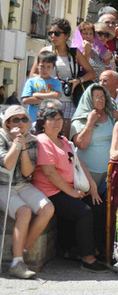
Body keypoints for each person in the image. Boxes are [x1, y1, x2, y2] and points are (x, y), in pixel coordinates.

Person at [32, 107, 105, 272]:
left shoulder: (63, 139)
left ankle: (93, 249)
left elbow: (77, 162)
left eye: (60, 119)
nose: (58, 123)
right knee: (83, 212)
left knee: (98, 204)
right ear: (43, 123)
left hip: (69, 188)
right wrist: (71, 193)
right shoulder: (43, 140)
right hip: (51, 191)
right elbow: (49, 172)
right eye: (53, 119)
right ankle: (87, 258)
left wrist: (92, 185)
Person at [0, 106, 55, 278]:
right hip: (3, 185)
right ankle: (17, 263)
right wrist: (16, 143)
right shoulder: (1, 137)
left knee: (47, 209)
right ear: (8, 123)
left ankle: (21, 248)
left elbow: (27, 172)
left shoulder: (31, 139)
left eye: (24, 119)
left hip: (22, 184)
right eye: (15, 120)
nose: (20, 123)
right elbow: (7, 165)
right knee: (23, 212)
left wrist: (23, 147)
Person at [28, 19, 97, 133]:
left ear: (66, 35)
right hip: (48, 100)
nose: (53, 36)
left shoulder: (74, 53)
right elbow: (32, 75)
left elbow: (91, 72)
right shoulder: (45, 51)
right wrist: (49, 80)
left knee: (64, 137)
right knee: (46, 134)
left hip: (68, 100)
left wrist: (78, 81)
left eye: (57, 33)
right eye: (51, 33)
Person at [21, 51, 62, 123]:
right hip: (32, 119)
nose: (45, 70)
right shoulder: (31, 82)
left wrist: (36, 95)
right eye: (42, 66)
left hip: (50, 120)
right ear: (37, 65)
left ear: (53, 67)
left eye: (48, 67)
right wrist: (48, 100)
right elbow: (25, 100)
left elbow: (56, 96)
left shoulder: (56, 82)